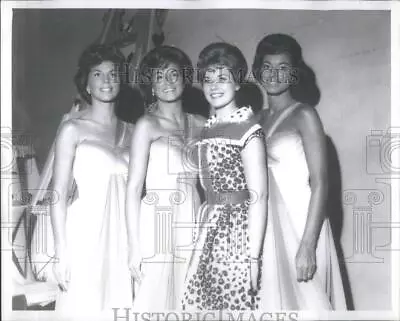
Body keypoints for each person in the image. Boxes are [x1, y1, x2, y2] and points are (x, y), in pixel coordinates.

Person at [252, 33, 347, 310]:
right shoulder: (254, 119)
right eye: (267, 67)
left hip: (301, 221)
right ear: (258, 70)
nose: (274, 74)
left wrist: (307, 245)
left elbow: (320, 183)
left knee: (308, 306)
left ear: (294, 74)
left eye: (283, 67)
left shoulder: (304, 114)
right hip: (268, 225)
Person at [181, 42, 268, 310]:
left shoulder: (248, 130)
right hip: (210, 225)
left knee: (233, 305)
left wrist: (252, 259)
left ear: (238, 83)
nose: (214, 86)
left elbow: (260, 196)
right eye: (207, 79)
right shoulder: (206, 130)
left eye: (223, 78)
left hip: (237, 233)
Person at [50, 44, 134, 312]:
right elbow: (59, 194)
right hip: (84, 233)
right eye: (97, 74)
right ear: (86, 85)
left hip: (124, 235)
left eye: (112, 73)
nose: (106, 80)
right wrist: (61, 251)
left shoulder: (134, 131)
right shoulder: (72, 129)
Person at [126, 45, 205, 311]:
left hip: (192, 217)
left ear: (185, 77)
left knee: (190, 297)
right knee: (155, 298)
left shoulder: (202, 124)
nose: (167, 82)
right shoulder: (146, 125)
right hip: (156, 220)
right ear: (151, 85)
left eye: (173, 74)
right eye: (159, 77)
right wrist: (134, 247)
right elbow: (134, 187)